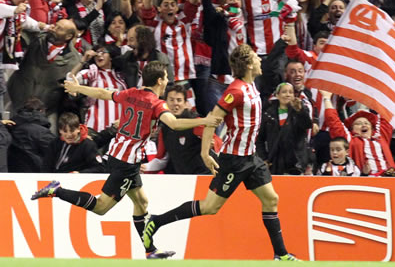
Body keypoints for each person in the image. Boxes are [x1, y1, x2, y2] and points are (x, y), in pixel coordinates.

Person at [31, 61, 222, 259]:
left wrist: (78, 88)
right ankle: (56, 190)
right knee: (101, 207)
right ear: (159, 80)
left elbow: (104, 93)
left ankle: (150, 250)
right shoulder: (156, 104)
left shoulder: (131, 93)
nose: (167, 81)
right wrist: (204, 121)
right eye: (165, 77)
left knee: (142, 203)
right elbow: (173, 123)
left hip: (119, 154)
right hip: (126, 162)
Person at [141, 44, 300, 261]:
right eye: (256, 57)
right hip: (234, 160)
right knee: (209, 207)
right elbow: (212, 120)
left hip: (250, 158)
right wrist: (206, 153)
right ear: (248, 64)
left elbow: (271, 61)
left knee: (271, 199)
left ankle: (280, 255)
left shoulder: (252, 86)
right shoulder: (235, 91)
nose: (260, 60)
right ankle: (156, 221)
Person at [256, 82, 312, 175]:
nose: (288, 95)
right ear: (277, 95)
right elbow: (259, 139)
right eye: (284, 92)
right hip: (275, 162)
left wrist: (300, 111)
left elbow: (307, 125)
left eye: (291, 92)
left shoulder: (300, 109)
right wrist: (264, 158)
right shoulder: (268, 114)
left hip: (296, 162)